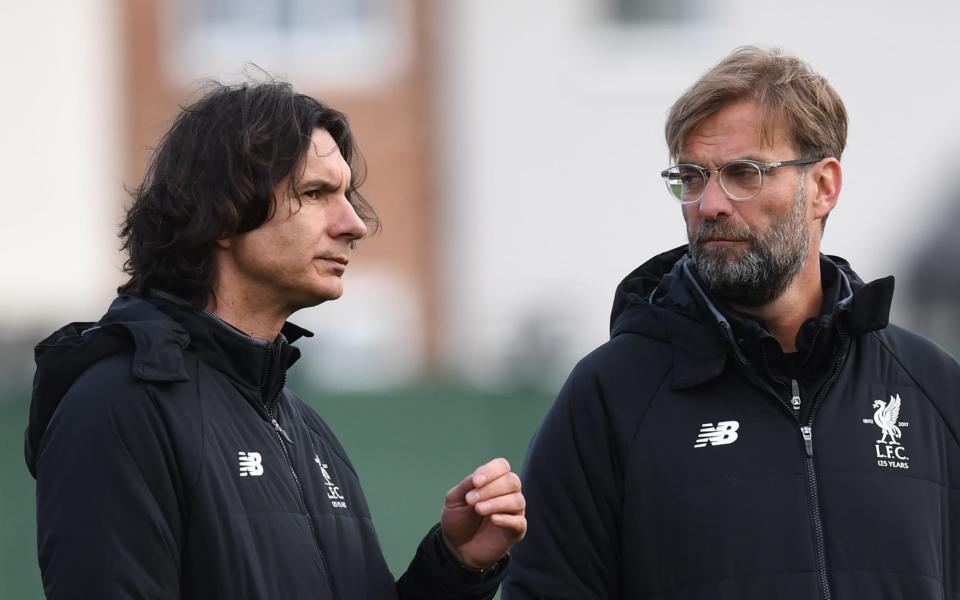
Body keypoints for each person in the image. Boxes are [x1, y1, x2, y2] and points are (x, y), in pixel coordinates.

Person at [26, 80, 526, 599]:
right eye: (315, 194)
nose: (354, 223)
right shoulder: (118, 407)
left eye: (347, 195)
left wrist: (453, 566)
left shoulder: (304, 428)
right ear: (222, 211)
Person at [502, 46, 960, 599]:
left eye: (744, 173)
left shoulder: (932, 389)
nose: (710, 203)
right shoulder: (608, 397)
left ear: (822, 187)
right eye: (692, 177)